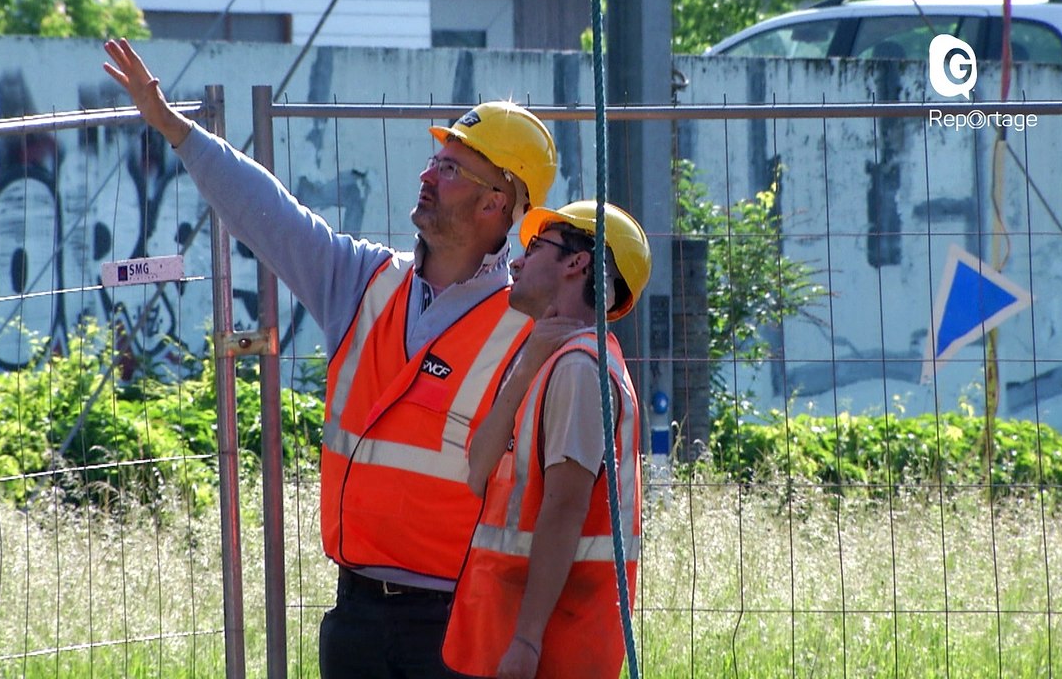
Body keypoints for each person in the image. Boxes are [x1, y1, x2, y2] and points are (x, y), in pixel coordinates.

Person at [102, 38, 558, 678]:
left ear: (494, 204)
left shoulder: (530, 328)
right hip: (356, 618)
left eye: (451, 169)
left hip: (462, 624)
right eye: (435, 159)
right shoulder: (365, 281)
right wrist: (177, 130)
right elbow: (270, 216)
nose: (427, 175)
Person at [442, 200, 651, 679]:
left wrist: (527, 640)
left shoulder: (580, 368)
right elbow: (477, 471)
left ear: (577, 262)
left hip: (550, 650)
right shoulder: (545, 357)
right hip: (503, 638)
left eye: (535, 247)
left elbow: (565, 509)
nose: (516, 262)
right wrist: (528, 363)